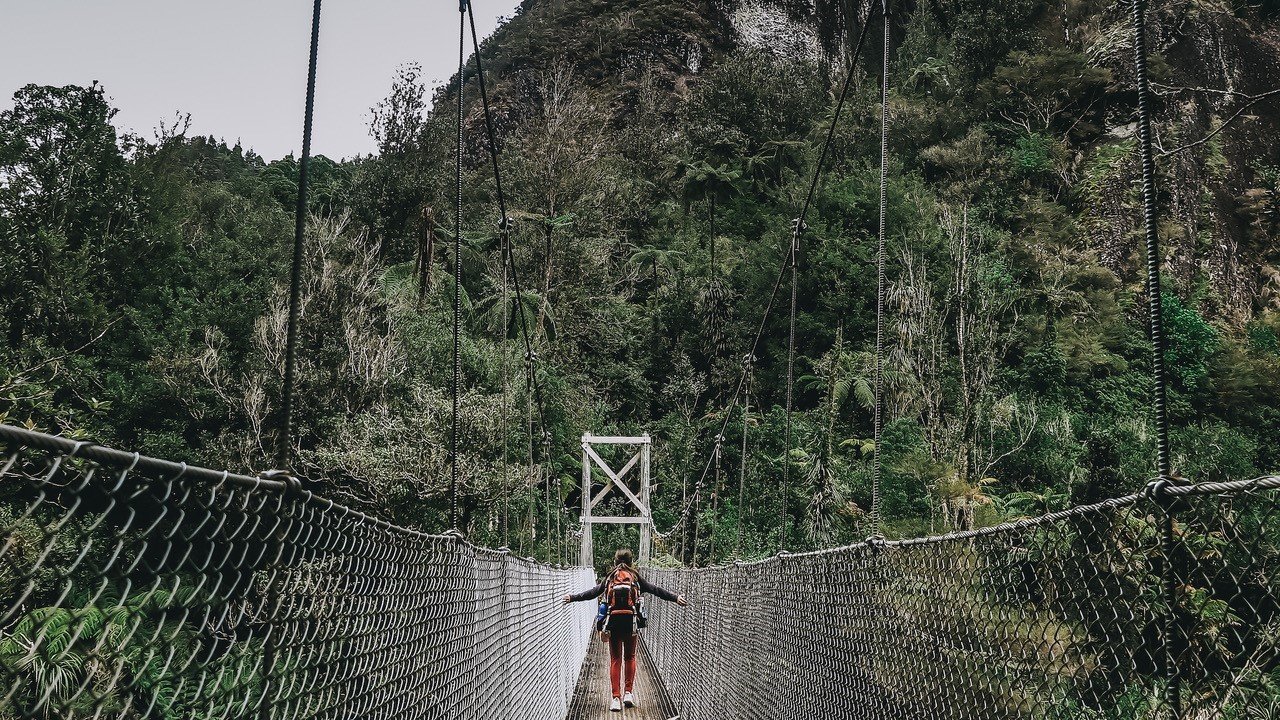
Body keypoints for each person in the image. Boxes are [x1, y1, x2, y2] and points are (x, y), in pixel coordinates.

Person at [563, 548, 687, 712]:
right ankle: (628, 693)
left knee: (615, 659)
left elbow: (593, 593)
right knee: (630, 657)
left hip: (613, 623)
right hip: (630, 623)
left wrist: (573, 597)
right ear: (631, 562)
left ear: (615, 562)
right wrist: (675, 597)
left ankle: (615, 699)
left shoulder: (610, 577)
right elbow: (655, 589)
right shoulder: (635, 577)